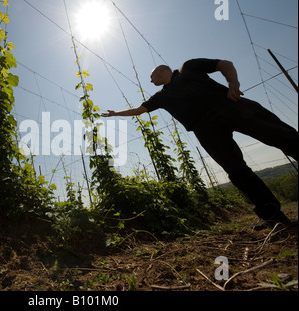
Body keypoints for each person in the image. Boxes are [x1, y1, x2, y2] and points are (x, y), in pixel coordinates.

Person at [102, 58, 298, 228]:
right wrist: (115, 113)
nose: (150, 80)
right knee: (236, 170)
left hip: (232, 106)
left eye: (152, 76)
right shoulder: (161, 97)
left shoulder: (188, 68)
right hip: (207, 130)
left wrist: (233, 85)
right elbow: (139, 110)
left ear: (162, 71)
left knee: (283, 136)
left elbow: (224, 64)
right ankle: (273, 217)